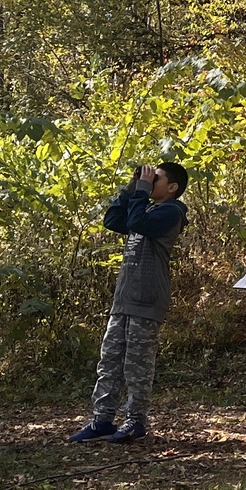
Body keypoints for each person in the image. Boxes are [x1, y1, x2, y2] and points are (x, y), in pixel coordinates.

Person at [68, 161, 189, 444]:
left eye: (155, 178)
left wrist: (141, 192)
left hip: (147, 298)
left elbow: (137, 223)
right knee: (109, 361)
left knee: (137, 365)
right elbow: (112, 220)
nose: (149, 181)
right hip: (124, 298)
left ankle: (135, 420)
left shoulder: (172, 212)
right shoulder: (144, 206)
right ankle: (102, 420)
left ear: (172, 188)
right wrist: (132, 187)